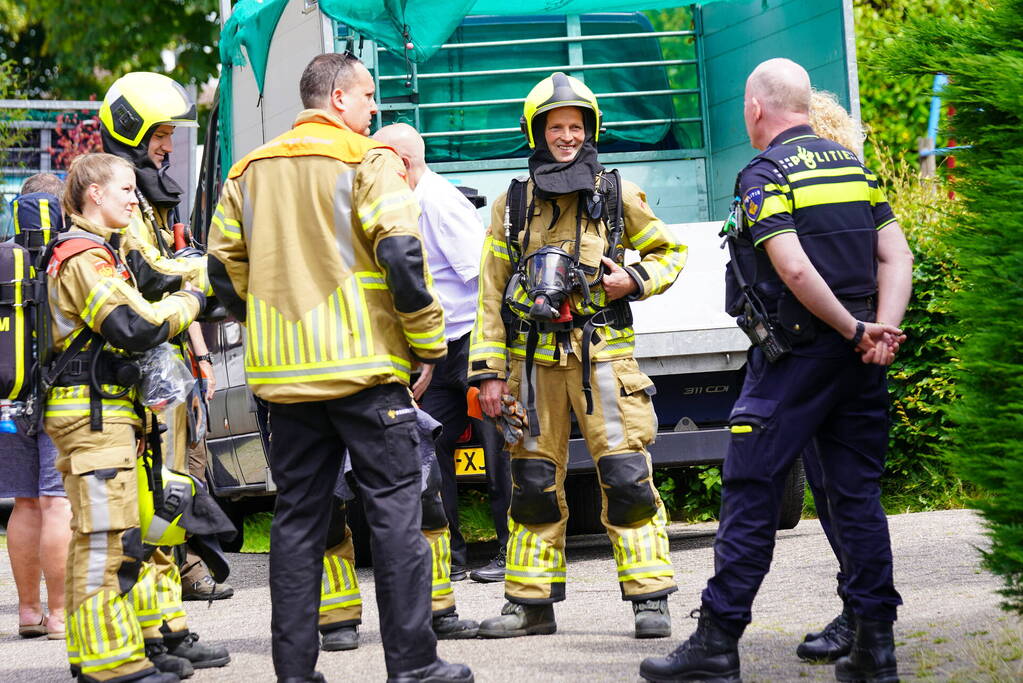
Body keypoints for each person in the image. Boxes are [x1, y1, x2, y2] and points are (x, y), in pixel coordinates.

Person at [639, 58, 914, 683]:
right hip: (862, 363)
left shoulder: (765, 174)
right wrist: (879, 332)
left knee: (749, 490)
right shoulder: (855, 168)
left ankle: (716, 643)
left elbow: (790, 268)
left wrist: (849, 328)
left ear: (756, 107)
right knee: (856, 500)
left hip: (797, 359)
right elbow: (895, 255)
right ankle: (876, 650)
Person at [207, 51, 473, 683]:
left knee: (299, 518)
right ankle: (412, 666)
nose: (373, 108)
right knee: (395, 514)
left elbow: (220, 272)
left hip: (282, 381)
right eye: (368, 96)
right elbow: (402, 257)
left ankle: (295, 673)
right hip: (365, 374)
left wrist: (269, 325)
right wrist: (428, 344)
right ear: (337, 99)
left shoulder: (247, 171)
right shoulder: (369, 161)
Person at [469, 72, 687, 640]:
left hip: (606, 367)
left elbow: (671, 251)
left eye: (575, 126)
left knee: (626, 476)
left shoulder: (617, 195)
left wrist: (633, 281)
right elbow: (490, 295)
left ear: (590, 131)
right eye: (555, 126)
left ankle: (649, 600)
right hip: (533, 368)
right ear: (536, 132)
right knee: (534, 484)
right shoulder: (512, 205)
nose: (567, 136)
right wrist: (489, 374)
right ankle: (530, 604)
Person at [45, 152, 205, 683]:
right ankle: (110, 664)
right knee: (104, 540)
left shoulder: (98, 252)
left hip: (105, 414)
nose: (135, 200)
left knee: (102, 536)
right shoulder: (83, 257)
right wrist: (192, 300)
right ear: (94, 194)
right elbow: (133, 327)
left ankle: (92, 652)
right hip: (92, 419)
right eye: (126, 191)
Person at [98, 72, 232, 673]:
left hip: (164, 374)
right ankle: (155, 634)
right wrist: (215, 274)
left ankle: (169, 628)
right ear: (131, 131)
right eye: (159, 135)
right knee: (154, 508)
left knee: (168, 504)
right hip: (134, 383)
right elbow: (153, 275)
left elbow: (171, 265)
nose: (166, 146)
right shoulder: (118, 200)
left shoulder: (144, 199)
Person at [371, 122, 511, 584]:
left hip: (471, 342)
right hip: (439, 348)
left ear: (403, 163)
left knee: (498, 451)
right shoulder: (407, 204)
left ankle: (510, 552)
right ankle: (447, 554)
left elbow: (486, 283)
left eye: (380, 162)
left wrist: (489, 363)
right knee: (429, 447)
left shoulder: (438, 202)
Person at [792, 88, 871, 663]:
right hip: (859, 349)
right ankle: (865, 618)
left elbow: (793, 275)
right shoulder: (858, 192)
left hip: (821, 356)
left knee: (837, 491)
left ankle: (860, 617)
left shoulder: (805, 202)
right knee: (847, 491)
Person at [316, 406, 479, 651]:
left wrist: (426, 367)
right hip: (311, 404)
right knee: (324, 515)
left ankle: (436, 610)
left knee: (425, 500)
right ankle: (337, 619)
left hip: (383, 395)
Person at [1, 173, 73, 641]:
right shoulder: (71, 252)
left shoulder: (3, 255)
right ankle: (60, 616)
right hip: (63, 392)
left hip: (7, 398)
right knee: (56, 501)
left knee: (24, 503)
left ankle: (27, 611)